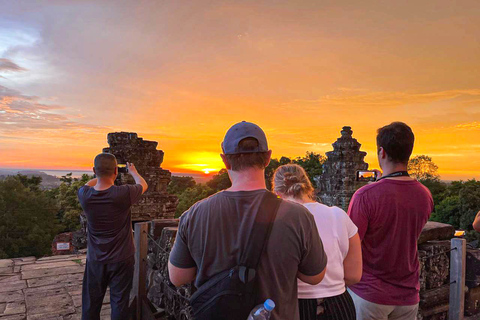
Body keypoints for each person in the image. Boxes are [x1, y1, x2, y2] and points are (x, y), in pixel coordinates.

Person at [168, 121, 328, 320]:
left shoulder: (194, 214)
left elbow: (178, 277)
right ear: (268, 157)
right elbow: (314, 276)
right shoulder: (298, 216)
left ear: (225, 160)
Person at [347, 122, 434, 320]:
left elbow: (350, 244)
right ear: (409, 152)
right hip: (408, 295)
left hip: (370, 294)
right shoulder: (424, 194)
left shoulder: (365, 195)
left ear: (381, 152)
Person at [273, 164, 362, 320]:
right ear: (308, 187)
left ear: (278, 193)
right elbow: (354, 275)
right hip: (338, 304)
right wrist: (329, 286)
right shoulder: (338, 215)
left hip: (294, 306)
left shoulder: (274, 220)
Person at [78, 153, 148, 320]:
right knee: (119, 302)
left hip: (95, 258)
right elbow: (143, 184)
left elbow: (88, 184)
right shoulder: (122, 194)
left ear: (94, 170)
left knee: (91, 303)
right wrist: (133, 171)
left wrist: (100, 176)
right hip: (122, 257)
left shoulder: (84, 195)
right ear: (116, 171)